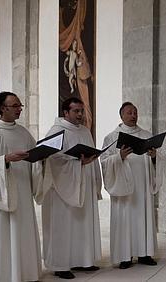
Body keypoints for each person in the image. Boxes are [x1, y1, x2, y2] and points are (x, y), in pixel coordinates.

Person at [0, 92, 42, 281]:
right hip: (1, 193)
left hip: (22, 189)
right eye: (16, 105)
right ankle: (2, 275)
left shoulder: (23, 132)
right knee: (1, 235)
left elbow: (34, 155)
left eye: (20, 105)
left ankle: (25, 273)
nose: (20, 109)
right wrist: (5, 159)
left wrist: (41, 159)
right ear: (3, 108)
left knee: (22, 232)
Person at [35, 97, 102, 279]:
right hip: (61, 188)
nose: (80, 114)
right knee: (62, 225)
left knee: (82, 222)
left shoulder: (85, 131)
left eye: (82, 110)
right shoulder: (56, 131)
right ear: (66, 113)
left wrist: (94, 177)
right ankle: (60, 264)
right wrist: (77, 162)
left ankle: (82, 260)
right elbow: (51, 159)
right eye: (76, 111)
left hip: (83, 183)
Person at [99, 102, 163, 269]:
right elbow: (104, 162)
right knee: (125, 219)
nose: (133, 115)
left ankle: (144, 253)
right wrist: (118, 156)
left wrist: (154, 156)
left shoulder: (146, 135)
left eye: (135, 112)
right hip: (123, 188)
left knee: (143, 217)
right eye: (129, 113)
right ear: (121, 116)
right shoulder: (112, 137)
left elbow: (157, 162)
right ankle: (125, 256)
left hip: (142, 187)